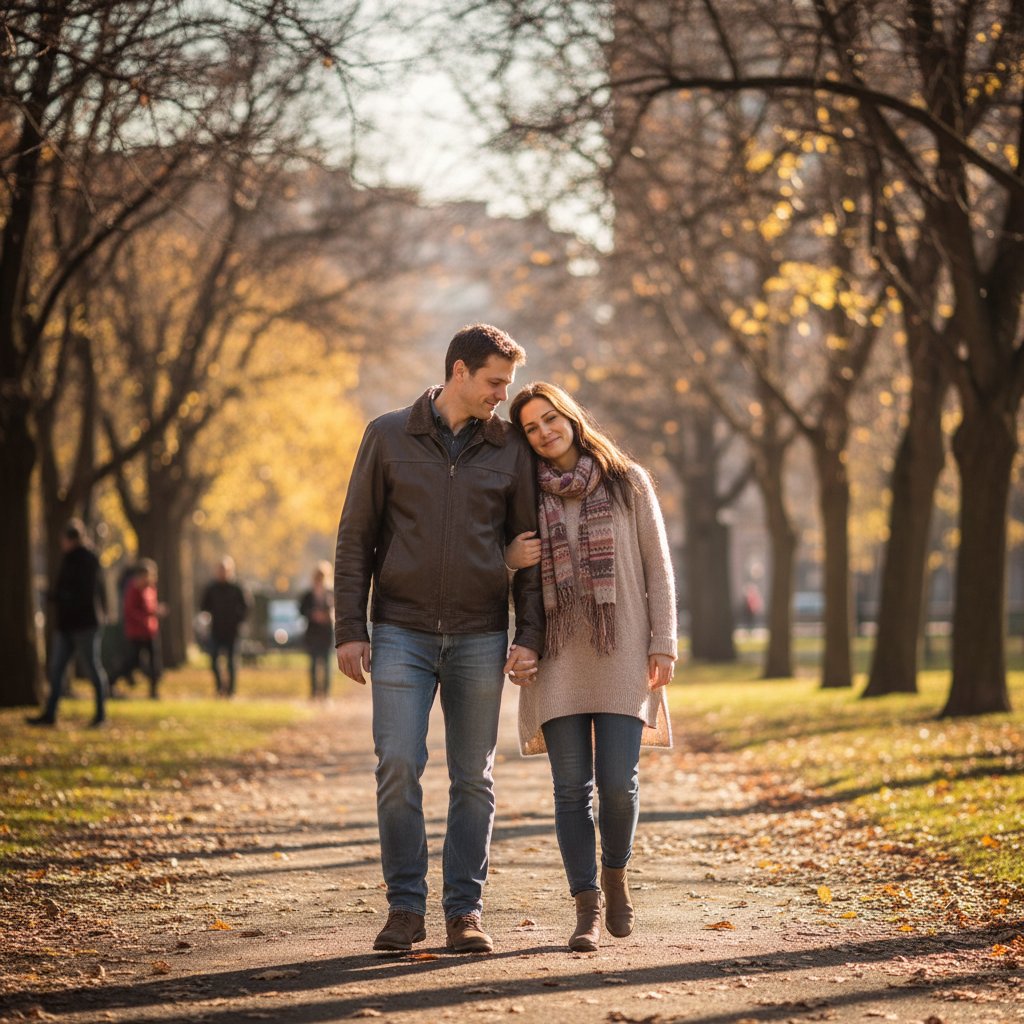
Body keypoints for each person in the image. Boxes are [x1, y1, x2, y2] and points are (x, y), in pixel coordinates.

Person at [333, 323, 545, 955]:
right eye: (493, 383)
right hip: (400, 629)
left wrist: (528, 633)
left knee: (473, 778)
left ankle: (464, 912)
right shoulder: (387, 435)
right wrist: (350, 629)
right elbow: (355, 539)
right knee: (398, 765)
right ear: (458, 371)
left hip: (481, 634)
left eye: (505, 385)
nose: (501, 398)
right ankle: (404, 908)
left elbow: (530, 552)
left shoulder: (510, 448)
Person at [504, 381, 677, 953]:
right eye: (531, 427)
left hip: (623, 651)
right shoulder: (523, 495)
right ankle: (586, 909)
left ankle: (615, 877)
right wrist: (508, 559)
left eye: (551, 419)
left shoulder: (629, 482)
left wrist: (664, 642)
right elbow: (505, 573)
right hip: (558, 658)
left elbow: (659, 568)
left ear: (572, 418)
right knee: (569, 790)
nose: (544, 432)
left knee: (618, 787)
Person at [28, 519, 110, 727]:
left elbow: (85, 592)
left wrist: (59, 596)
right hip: (66, 625)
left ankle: (101, 714)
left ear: (71, 539)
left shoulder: (88, 559)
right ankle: (50, 713)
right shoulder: (68, 558)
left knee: (92, 668)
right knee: (56, 670)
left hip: (85, 624)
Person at [113, 559, 164, 699]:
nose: (150, 578)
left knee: (155, 662)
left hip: (151, 630)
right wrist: (147, 616)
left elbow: (151, 606)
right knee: (131, 662)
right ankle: (111, 682)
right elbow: (130, 611)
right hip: (136, 632)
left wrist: (156, 611)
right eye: (147, 575)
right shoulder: (132, 589)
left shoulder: (151, 588)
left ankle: (154, 692)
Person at [199, 556, 249, 697]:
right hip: (216, 630)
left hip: (233, 631)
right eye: (220, 570)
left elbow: (246, 607)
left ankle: (231, 690)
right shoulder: (211, 588)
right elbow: (204, 607)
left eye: (225, 570)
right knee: (214, 660)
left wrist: (238, 621)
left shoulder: (237, 588)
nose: (222, 573)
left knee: (231, 662)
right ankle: (220, 687)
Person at [299, 562, 334, 699]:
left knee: (326, 664)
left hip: (326, 632)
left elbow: (336, 611)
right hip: (313, 632)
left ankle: (326, 693)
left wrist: (328, 616)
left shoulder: (331, 593)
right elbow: (302, 610)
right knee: (313, 664)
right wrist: (312, 614)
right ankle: (314, 692)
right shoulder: (308, 594)